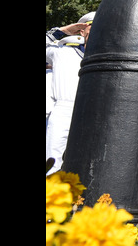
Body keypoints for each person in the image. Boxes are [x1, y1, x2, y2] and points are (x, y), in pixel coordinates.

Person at [46, 12, 94, 174]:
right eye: (91, 25)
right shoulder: (62, 52)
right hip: (65, 109)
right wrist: (62, 31)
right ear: (82, 30)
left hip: (95, 113)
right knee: (53, 162)